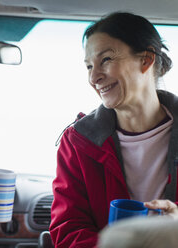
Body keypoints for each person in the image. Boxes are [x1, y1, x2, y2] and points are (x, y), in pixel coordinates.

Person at [49, 12, 178, 247]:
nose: (94, 77)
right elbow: (68, 230)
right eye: (89, 66)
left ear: (146, 60)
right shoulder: (77, 142)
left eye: (106, 60)